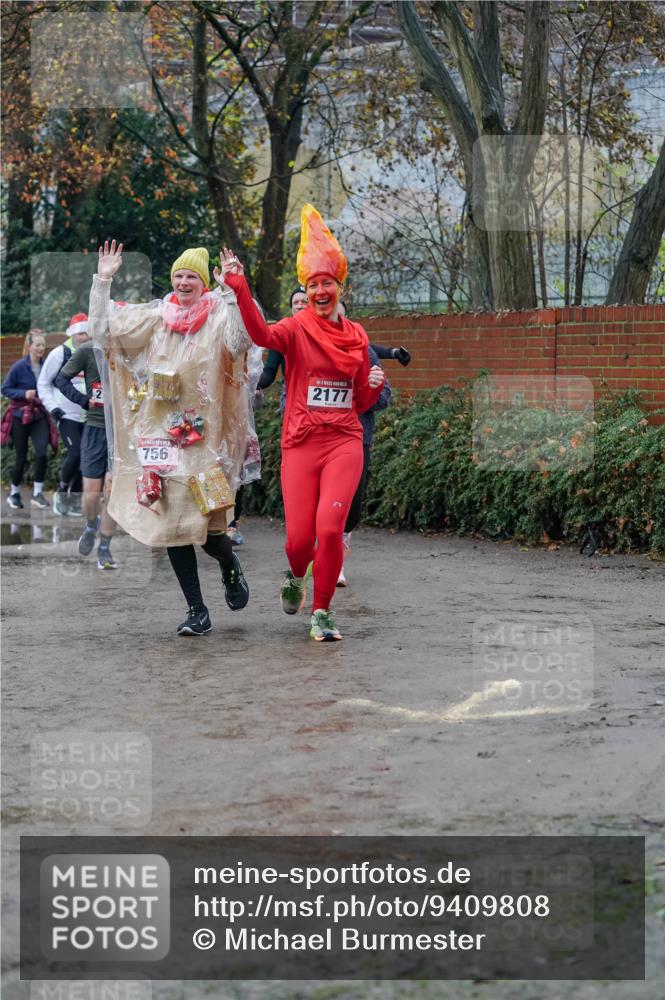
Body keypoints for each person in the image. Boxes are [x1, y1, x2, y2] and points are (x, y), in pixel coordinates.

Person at [219, 203, 386, 642]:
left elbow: (361, 401)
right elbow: (261, 335)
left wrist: (372, 380)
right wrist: (239, 286)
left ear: (340, 287)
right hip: (301, 443)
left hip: (344, 441)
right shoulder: (294, 329)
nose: (320, 291)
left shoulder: (358, 336)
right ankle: (295, 575)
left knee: (330, 529)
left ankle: (323, 612)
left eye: (327, 283)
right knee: (298, 542)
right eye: (313, 285)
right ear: (306, 290)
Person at [82, 240, 255, 636]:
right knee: (172, 531)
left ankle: (229, 566)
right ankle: (197, 610)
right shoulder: (158, 316)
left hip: (204, 443)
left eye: (191, 275)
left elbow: (240, 343)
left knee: (210, 534)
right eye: (178, 275)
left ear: (202, 281)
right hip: (162, 441)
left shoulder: (216, 314)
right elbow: (102, 329)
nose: (183, 281)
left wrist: (231, 293)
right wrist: (103, 281)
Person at [55, 337, 119, 569]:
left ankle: (105, 547)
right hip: (95, 429)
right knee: (91, 494)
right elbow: (61, 378)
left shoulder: (131, 346)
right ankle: (91, 525)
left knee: (112, 494)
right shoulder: (88, 350)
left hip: (121, 434)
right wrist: (83, 400)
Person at [337, 338, 392, 587]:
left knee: (353, 506)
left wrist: (373, 386)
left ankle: (342, 540)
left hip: (358, 438)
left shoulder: (364, 351)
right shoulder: (309, 345)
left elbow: (384, 398)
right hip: (322, 437)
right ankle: (332, 560)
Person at [38, 312, 90, 516]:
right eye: (80, 334)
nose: (83, 337)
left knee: (86, 457)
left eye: (87, 333)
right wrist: (53, 408)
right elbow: (43, 383)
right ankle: (61, 493)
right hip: (66, 414)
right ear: (72, 334)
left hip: (89, 415)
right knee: (76, 452)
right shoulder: (60, 353)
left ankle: (74, 499)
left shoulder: (93, 352)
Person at [1, 330, 56, 510]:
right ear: (29, 346)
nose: (41, 348)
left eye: (43, 344)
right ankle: (14, 493)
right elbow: (5, 389)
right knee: (21, 457)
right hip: (20, 417)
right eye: (38, 344)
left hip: (39, 416)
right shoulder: (18, 367)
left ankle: (37, 494)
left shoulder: (46, 365)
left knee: (41, 454)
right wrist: (23, 394)